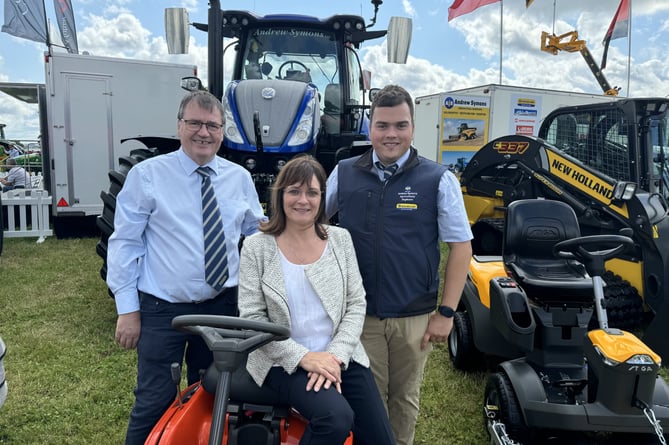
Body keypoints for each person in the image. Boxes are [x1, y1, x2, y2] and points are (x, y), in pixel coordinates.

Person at [107, 90, 266, 445]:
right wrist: (127, 310)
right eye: (194, 123)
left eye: (212, 125)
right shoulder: (147, 176)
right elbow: (125, 243)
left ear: (223, 131)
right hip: (163, 310)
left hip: (221, 308)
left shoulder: (238, 178)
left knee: (213, 397)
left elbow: (258, 231)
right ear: (179, 126)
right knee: (154, 400)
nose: (203, 132)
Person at [325, 84, 473, 445]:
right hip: (359, 315)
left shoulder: (438, 179)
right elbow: (312, 224)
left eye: (400, 125)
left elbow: (461, 247)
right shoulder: (343, 173)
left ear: (412, 128)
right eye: (383, 125)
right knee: (365, 399)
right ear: (369, 127)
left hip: (414, 316)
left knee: (404, 398)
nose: (391, 134)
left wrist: (447, 312)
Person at [238, 155, 396, 445]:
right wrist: (304, 357)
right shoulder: (255, 247)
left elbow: (355, 303)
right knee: (334, 419)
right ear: (280, 195)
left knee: (381, 440)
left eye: (312, 192)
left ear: (322, 198)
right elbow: (252, 319)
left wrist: (334, 356)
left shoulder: (340, 239)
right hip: (282, 361)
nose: (303, 200)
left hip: (339, 355)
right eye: (294, 191)